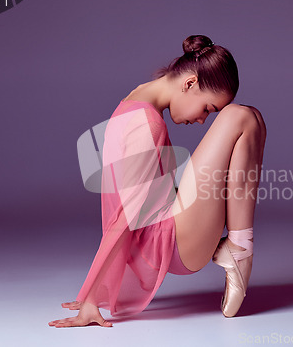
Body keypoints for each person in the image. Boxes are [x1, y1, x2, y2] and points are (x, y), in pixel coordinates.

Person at [48, 35, 267, 328]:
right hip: (171, 243)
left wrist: (95, 290)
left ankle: (238, 247)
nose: (202, 120)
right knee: (242, 117)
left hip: (166, 230)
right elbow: (124, 217)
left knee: (251, 116)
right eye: (207, 109)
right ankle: (240, 249)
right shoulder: (146, 124)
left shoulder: (135, 100)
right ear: (189, 84)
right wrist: (90, 297)